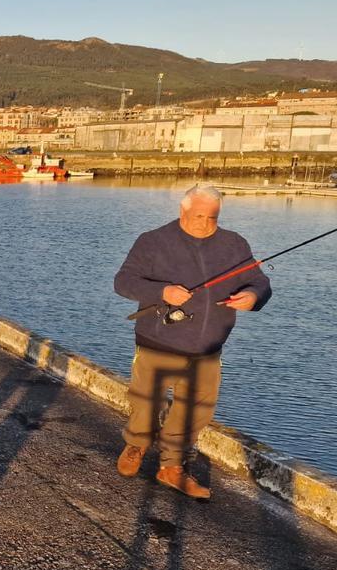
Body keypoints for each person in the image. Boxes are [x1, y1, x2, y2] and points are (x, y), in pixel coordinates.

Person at [113, 184, 271, 499]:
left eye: (212, 217)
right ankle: (137, 445)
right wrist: (163, 292)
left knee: (196, 410)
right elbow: (123, 282)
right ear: (183, 210)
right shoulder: (153, 241)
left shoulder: (234, 245)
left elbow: (260, 282)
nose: (204, 222)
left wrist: (253, 296)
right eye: (198, 215)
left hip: (208, 348)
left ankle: (171, 466)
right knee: (146, 401)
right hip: (158, 340)